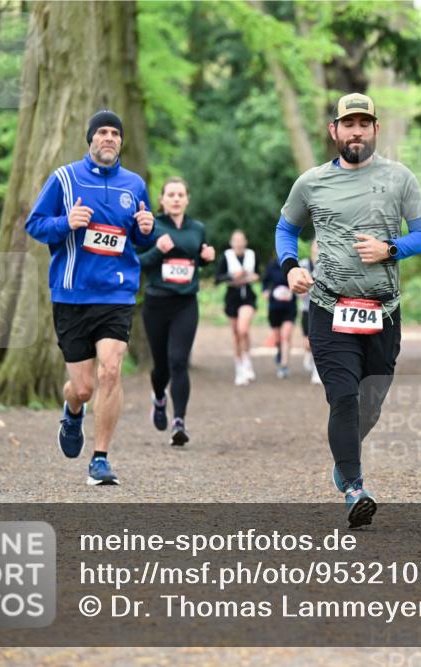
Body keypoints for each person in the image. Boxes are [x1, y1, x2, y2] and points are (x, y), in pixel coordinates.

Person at [275, 93, 421, 527]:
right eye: (349, 124)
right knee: (343, 396)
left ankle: (342, 459)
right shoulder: (311, 183)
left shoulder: (400, 178)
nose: (356, 131)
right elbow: (286, 228)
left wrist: (391, 248)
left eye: (364, 123)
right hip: (330, 309)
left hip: (383, 311)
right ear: (334, 131)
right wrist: (290, 268)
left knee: (371, 404)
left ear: (376, 130)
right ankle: (354, 487)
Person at [25, 109, 156, 485]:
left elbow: (141, 236)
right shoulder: (64, 179)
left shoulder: (134, 185)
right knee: (83, 386)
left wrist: (147, 229)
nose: (109, 138)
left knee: (111, 371)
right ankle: (72, 409)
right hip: (72, 293)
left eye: (115, 132)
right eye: (102, 132)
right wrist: (66, 222)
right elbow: (34, 224)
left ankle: (100, 459)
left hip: (116, 292)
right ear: (90, 139)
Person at [137, 177, 215, 446]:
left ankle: (179, 421)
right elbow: (138, 263)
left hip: (185, 304)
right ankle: (159, 397)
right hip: (156, 303)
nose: (176, 199)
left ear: (187, 199)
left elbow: (194, 262)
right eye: (170, 194)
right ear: (162, 199)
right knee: (161, 366)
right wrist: (157, 250)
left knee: (179, 361)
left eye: (181, 194)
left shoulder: (198, 228)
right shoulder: (151, 227)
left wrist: (206, 259)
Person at [215, 229, 259, 386]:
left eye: (241, 240)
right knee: (236, 334)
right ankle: (240, 367)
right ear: (231, 243)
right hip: (232, 298)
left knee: (243, 329)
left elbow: (257, 274)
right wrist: (233, 276)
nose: (239, 243)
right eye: (236, 240)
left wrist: (252, 277)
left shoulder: (251, 255)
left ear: (245, 242)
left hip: (247, 297)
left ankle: (246, 361)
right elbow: (217, 278)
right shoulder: (226, 257)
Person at [262, 254, 297, 379]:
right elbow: (265, 281)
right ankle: (279, 350)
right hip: (274, 307)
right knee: (277, 339)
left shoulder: (294, 264)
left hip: (289, 307)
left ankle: (284, 365)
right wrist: (265, 291)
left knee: (285, 335)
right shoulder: (272, 266)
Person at [299, 239, 321, 385]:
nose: (318, 248)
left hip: (324, 309)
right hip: (308, 309)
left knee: (319, 341)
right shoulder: (304, 265)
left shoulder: (330, 265)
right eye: (316, 245)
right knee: (308, 343)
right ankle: (308, 354)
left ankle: (317, 370)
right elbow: (298, 289)